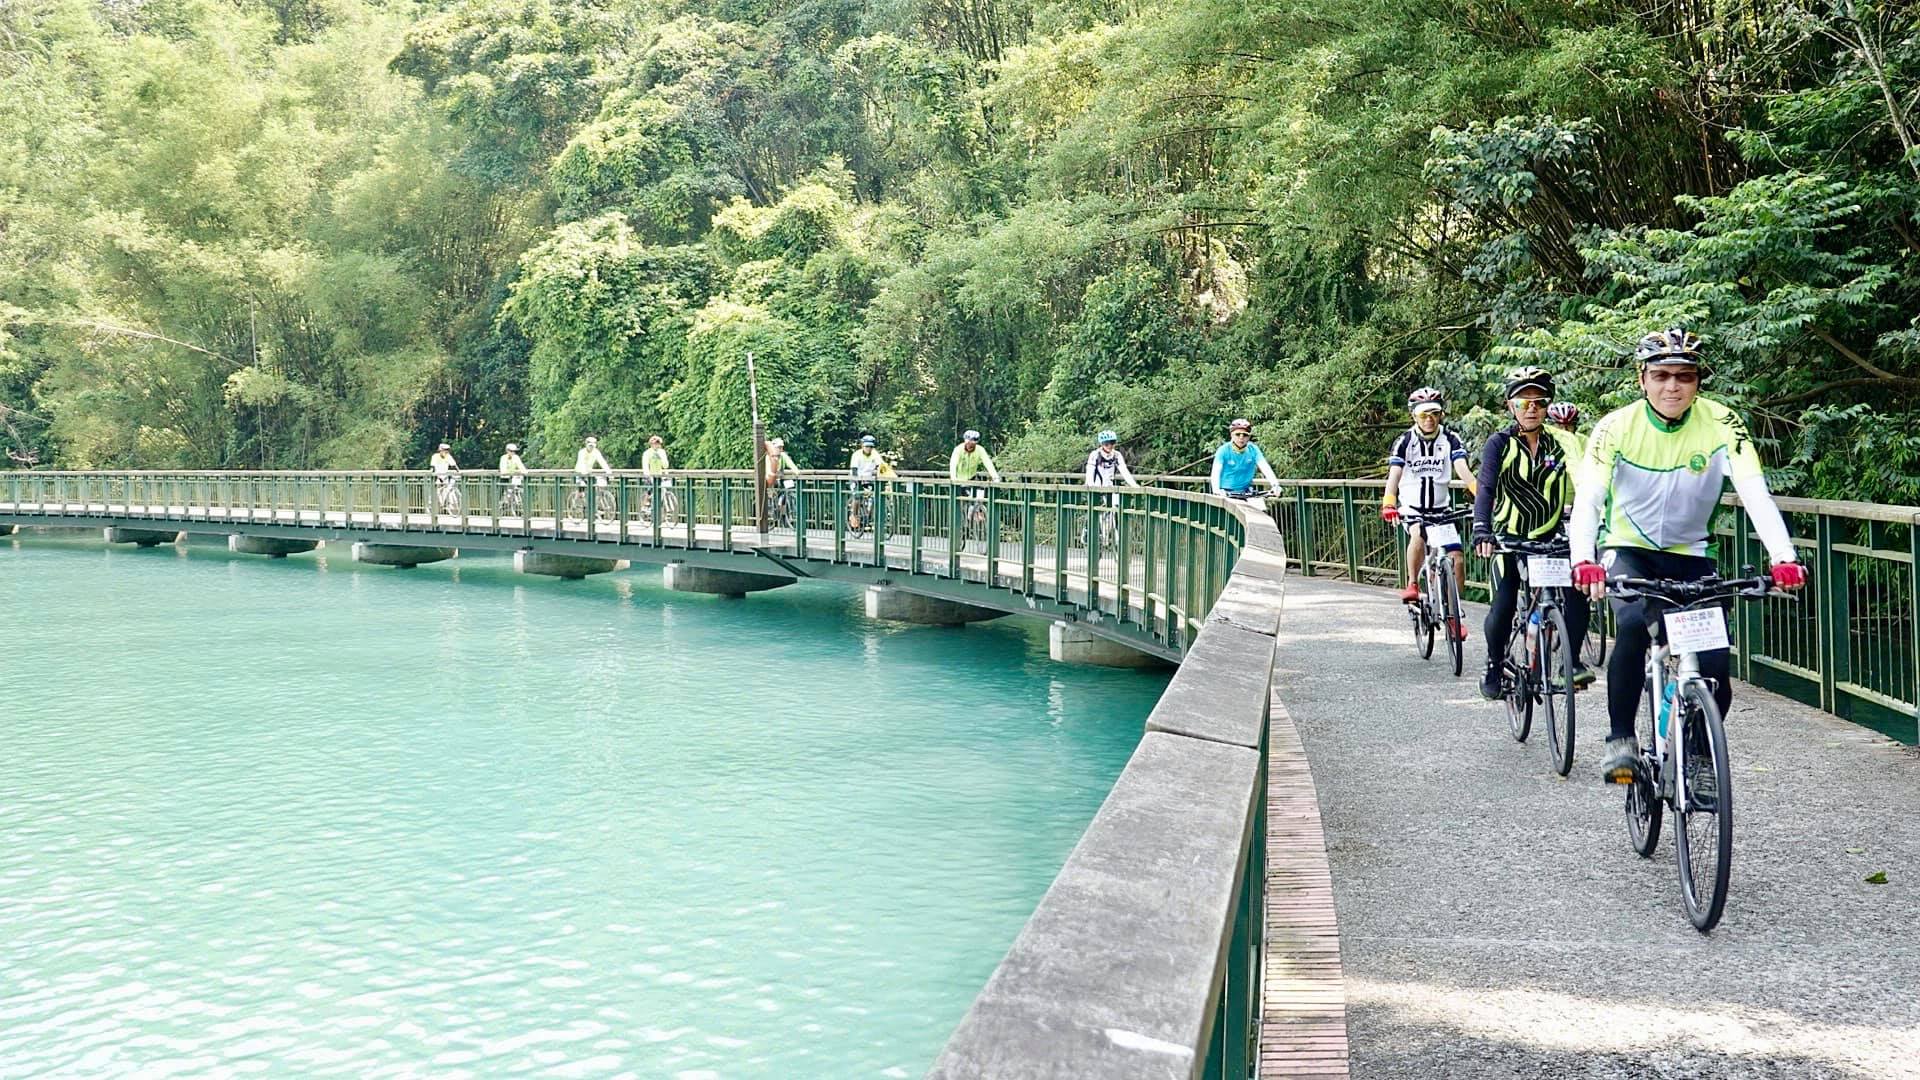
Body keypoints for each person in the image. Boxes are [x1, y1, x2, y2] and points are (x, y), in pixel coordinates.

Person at [1571, 328, 1806, 785]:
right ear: (1642, 379)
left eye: (1685, 376)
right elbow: (1590, 497)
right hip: (1629, 551)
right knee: (1635, 626)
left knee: (1715, 664)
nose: (1672, 386)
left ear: (1698, 382)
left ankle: (1697, 754)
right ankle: (1621, 739)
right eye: (1660, 375)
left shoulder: (1722, 423)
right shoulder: (1615, 427)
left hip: (1693, 556)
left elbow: (1755, 493)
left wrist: (1784, 557)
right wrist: (1584, 558)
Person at [1470, 368, 1594, 699]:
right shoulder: (1500, 443)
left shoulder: (1562, 442)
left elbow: (1584, 484)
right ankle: (1495, 662)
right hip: (1508, 538)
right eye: (1524, 402)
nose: (1531, 408)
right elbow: (1485, 487)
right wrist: (1482, 528)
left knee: (1578, 591)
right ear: (1511, 405)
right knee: (1505, 601)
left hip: (1551, 538)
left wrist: (1595, 524)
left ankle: (1574, 660)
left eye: (1538, 402)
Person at [1380, 389, 1477, 604]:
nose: (1429, 419)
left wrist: (1481, 494)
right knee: (1418, 536)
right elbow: (1394, 475)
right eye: (1423, 415)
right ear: (1414, 416)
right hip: (1413, 508)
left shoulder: (1451, 438)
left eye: (1434, 413)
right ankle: (1413, 583)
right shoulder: (1405, 441)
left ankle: (1454, 611)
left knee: (1457, 559)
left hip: (1442, 510)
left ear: (1441, 414)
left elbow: (1462, 469)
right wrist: (1389, 503)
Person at [1210, 418, 1280, 497]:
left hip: (1246, 491)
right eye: (1238, 434)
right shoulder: (1223, 450)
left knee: (1261, 509)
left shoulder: (1253, 449)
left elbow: (1265, 467)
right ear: (1231, 435)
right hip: (1226, 492)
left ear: (1249, 436)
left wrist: (1275, 485)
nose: (1241, 437)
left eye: (1245, 435)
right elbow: (1215, 472)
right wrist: (1216, 490)